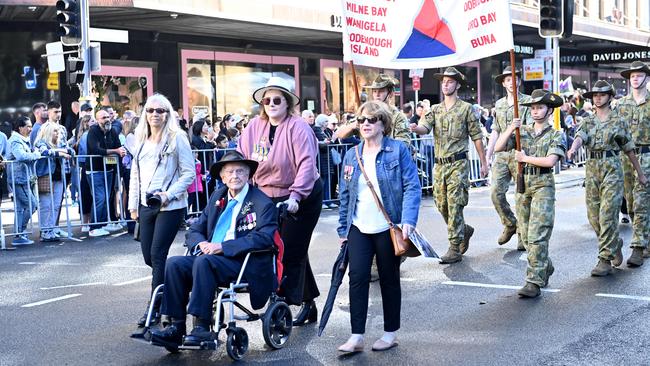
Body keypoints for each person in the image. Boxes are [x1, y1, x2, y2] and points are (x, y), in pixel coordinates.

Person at [148, 151, 278, 348]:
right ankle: (176, 327)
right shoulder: (218, 197)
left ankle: (202, 327)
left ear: (248, 175)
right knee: (174, 263)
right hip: (211, 259)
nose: (235, 176)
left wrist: (222, 247)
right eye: (230, 172)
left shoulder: (262, 202)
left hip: (243, 262)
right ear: (223, 177)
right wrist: (200, 244)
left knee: (203, 262)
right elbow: (195, 229)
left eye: (240, 171)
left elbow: (264, 238)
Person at [336, 101, 421, 352]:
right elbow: (344, 194)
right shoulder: (352, 154)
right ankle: (357, 336)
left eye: (371, 120)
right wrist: (343, 230)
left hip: (388, 225)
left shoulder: (397, 150)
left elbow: (412, 186)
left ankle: (390, 332)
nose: (364, 124)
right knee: (357, 278)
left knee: (389, 279)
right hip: (358, 227)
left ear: (383, 123)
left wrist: (408, 220)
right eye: (361, 120)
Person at [238, 76, 322, 325]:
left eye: (277, 100)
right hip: (266, 195)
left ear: (287, 103)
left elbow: (307, 164)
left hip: (300, 194)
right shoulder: (253, 127)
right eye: (267, 100)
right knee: (274, 247)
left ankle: (282, 305)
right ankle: (308, 302)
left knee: (290, 250)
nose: (271, 104)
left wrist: (296, 196)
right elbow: (243, 159)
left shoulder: (298, 128)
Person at [128, 93, 195, 338]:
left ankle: (155, 307)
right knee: (150, 257)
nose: (155, 114)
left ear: (168, 114)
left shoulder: (178, 139)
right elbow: (135, 175)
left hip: (171, 205)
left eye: (161, 111)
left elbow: (188, 175)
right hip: (146, 205)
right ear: (145, 114)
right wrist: (132, 204)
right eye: (151, 110)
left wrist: (168, 194)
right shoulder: (141, 140)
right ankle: (175, 283)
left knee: (158, 254)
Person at [568, 81, 647, 277]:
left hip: (613, 169)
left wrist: (640, 173)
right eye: (595, 95)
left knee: (607, 215)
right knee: (594, 217)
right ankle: (614, 244)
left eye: (602, 95)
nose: (597, 98)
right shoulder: (587, 121)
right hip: (593, 170)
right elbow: (580, 136)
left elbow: (629, 149)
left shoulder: (618, 121)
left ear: (610, 97)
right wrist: (573, 148)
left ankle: (604, 259)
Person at [410, 67, 488, 264]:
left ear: (457, 85)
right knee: (441, 204)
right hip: (439, 166)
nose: (445, 84)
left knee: (454, 204)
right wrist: (414, 128)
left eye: (450, 81)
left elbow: (477, 137)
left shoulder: (466, 109)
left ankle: (454, 247)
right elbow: (424, 128)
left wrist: (484, 162)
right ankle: (463, 230)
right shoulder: (435, 110)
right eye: (443, 81)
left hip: (458, 164)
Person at [494, 89, 565, 298]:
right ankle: (544, 266)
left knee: (537, 235)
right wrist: (510, 128)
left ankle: (533, 281)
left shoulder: (556, 134)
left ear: (549, 110)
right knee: (525, 236)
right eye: (532, 108)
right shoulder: (521, 131)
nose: (535, 111)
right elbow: (498, 147)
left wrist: (524, 158)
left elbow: (550, 161)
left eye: (540, 107)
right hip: (522, 185)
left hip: (543, 184)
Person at [485, 66, 533, 251]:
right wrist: (488, 156)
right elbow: (495, 131)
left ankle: (523, 234)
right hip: (503, 154)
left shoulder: (528, 102)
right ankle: (510, 222)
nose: (511, 82)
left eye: (514, 78)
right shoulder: (499, 104)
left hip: (520, 153)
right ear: (503, 83)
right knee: (495, 192)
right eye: (507, 79)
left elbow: (531, 129)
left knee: (522, 196)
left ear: (519, 81)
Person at [617, 61, 650, 264]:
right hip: (624, 158)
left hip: (646, 155)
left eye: (639, 75)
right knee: (630, 203)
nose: (635, 78)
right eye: (632, 76)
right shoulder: (620, 105)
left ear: (647, 78)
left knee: (640, 201)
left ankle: (637, 247)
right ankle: (646, 238)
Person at [335, 74, 411, 145]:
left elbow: (402, 145)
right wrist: (354, 125)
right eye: (375, 91)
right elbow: (340, 134)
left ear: (390, 93)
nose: (377, 95)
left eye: (381, 91)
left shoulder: (398, 117)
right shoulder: (365, 114)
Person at [86, 109, 126, 237]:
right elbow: (95, 149)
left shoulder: (112, 131)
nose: (107, 119)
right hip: (94, 170)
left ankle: (101, 224)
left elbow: (119, 146)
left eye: (108, 117)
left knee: (106, 198)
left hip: (109, 169)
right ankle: (94, 227)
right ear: (97, 120)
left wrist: (118, 151)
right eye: (103, 118)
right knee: (100, 197)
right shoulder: (93, 131)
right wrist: (115, 151)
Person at [34, 122, 74, 242]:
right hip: (46, 177)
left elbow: (71, 151)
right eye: (55, 131)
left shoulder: (59, 143)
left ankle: (51, 229)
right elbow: (45, 152)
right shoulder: (40, 142)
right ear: (48, 132)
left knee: (56, 205)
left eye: (58, 131)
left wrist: (60, 150)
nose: (58, 133)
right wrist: (60, 153)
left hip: (59, 177)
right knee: (46, 205)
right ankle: (45, 230)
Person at [7, 117, 41, 245]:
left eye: (31, 126)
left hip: (25, 179)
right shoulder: (16, 140)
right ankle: (19, 233)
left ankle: (19, 235)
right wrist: (36, 154)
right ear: (20, 128)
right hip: (19, 179)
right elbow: (21, 156)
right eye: (28, 126)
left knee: (21, 208)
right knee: (32, 205)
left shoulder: (23, 140)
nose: (30, 129)